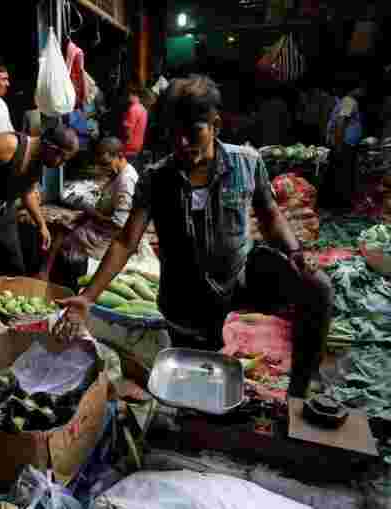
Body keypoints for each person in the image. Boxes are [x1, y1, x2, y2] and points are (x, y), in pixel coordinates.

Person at [57, 75, 333, 398]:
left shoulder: (246, 163)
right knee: (202, 381)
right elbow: (126, 241)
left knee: (318, 287)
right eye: (175, 134)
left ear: (215, 125)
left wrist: (295, 252)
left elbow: (270, 214)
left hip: (240, 277)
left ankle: (298, 393)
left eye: (193, 132)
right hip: (186, 296)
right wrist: (87, 297)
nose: (183, 143)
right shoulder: (156, 179)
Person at [0, 126, 80, 316]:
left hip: (2, 214)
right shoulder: (8, 144)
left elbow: (27, 190)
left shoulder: (39, 160)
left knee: (14, 268)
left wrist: (41, 224)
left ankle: (7, 314)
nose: (61, 164)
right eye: (62, 158)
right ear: (51, 148)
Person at [37, 137, 139, 291]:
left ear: (119, 156)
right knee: (62, 223)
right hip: (101, 223)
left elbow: (119, 224)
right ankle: (46, 273)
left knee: (62, 235)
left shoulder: (126, 181)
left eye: (105, 163)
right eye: (100, 164)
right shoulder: (117, 173)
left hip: (110, 235)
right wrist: (87, 213)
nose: (103, 168)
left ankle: (50, 275)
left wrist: (93, 214)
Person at [324, 80, 365, 209]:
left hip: (343, 143)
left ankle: (338, 204)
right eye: (361, 89)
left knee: (341, 173)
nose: (363, 92)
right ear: (355, 89)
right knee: (343, 175)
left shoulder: (345, 101)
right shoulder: (349, 101)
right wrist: (339, 144)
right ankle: (341, 205)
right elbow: (340, 122)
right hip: (344, 144)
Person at [121, 85, 149, 167]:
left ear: (133, 95)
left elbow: (128, 131)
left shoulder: (132, 109)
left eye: (128, 94)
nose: (127, 97)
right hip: (138, 146)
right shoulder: (143, 109)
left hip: (129, 147)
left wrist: (122, 145)